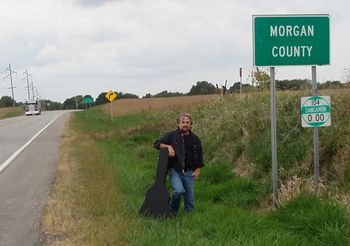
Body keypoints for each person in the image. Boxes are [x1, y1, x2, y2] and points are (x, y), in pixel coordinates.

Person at [154, 113, 204, 214]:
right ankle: (172, 210)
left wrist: (198, 169)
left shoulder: (195, 139)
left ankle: (190, 217)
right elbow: (157, 143)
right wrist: (168, 147)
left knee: (190, 199)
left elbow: (200, 155)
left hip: (189, 172)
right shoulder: (171, 135)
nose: (185, 124)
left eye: (187, 122)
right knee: (179, 191)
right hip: (175, 170)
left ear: (191, 124)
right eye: (183, 122)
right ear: (178, 124)